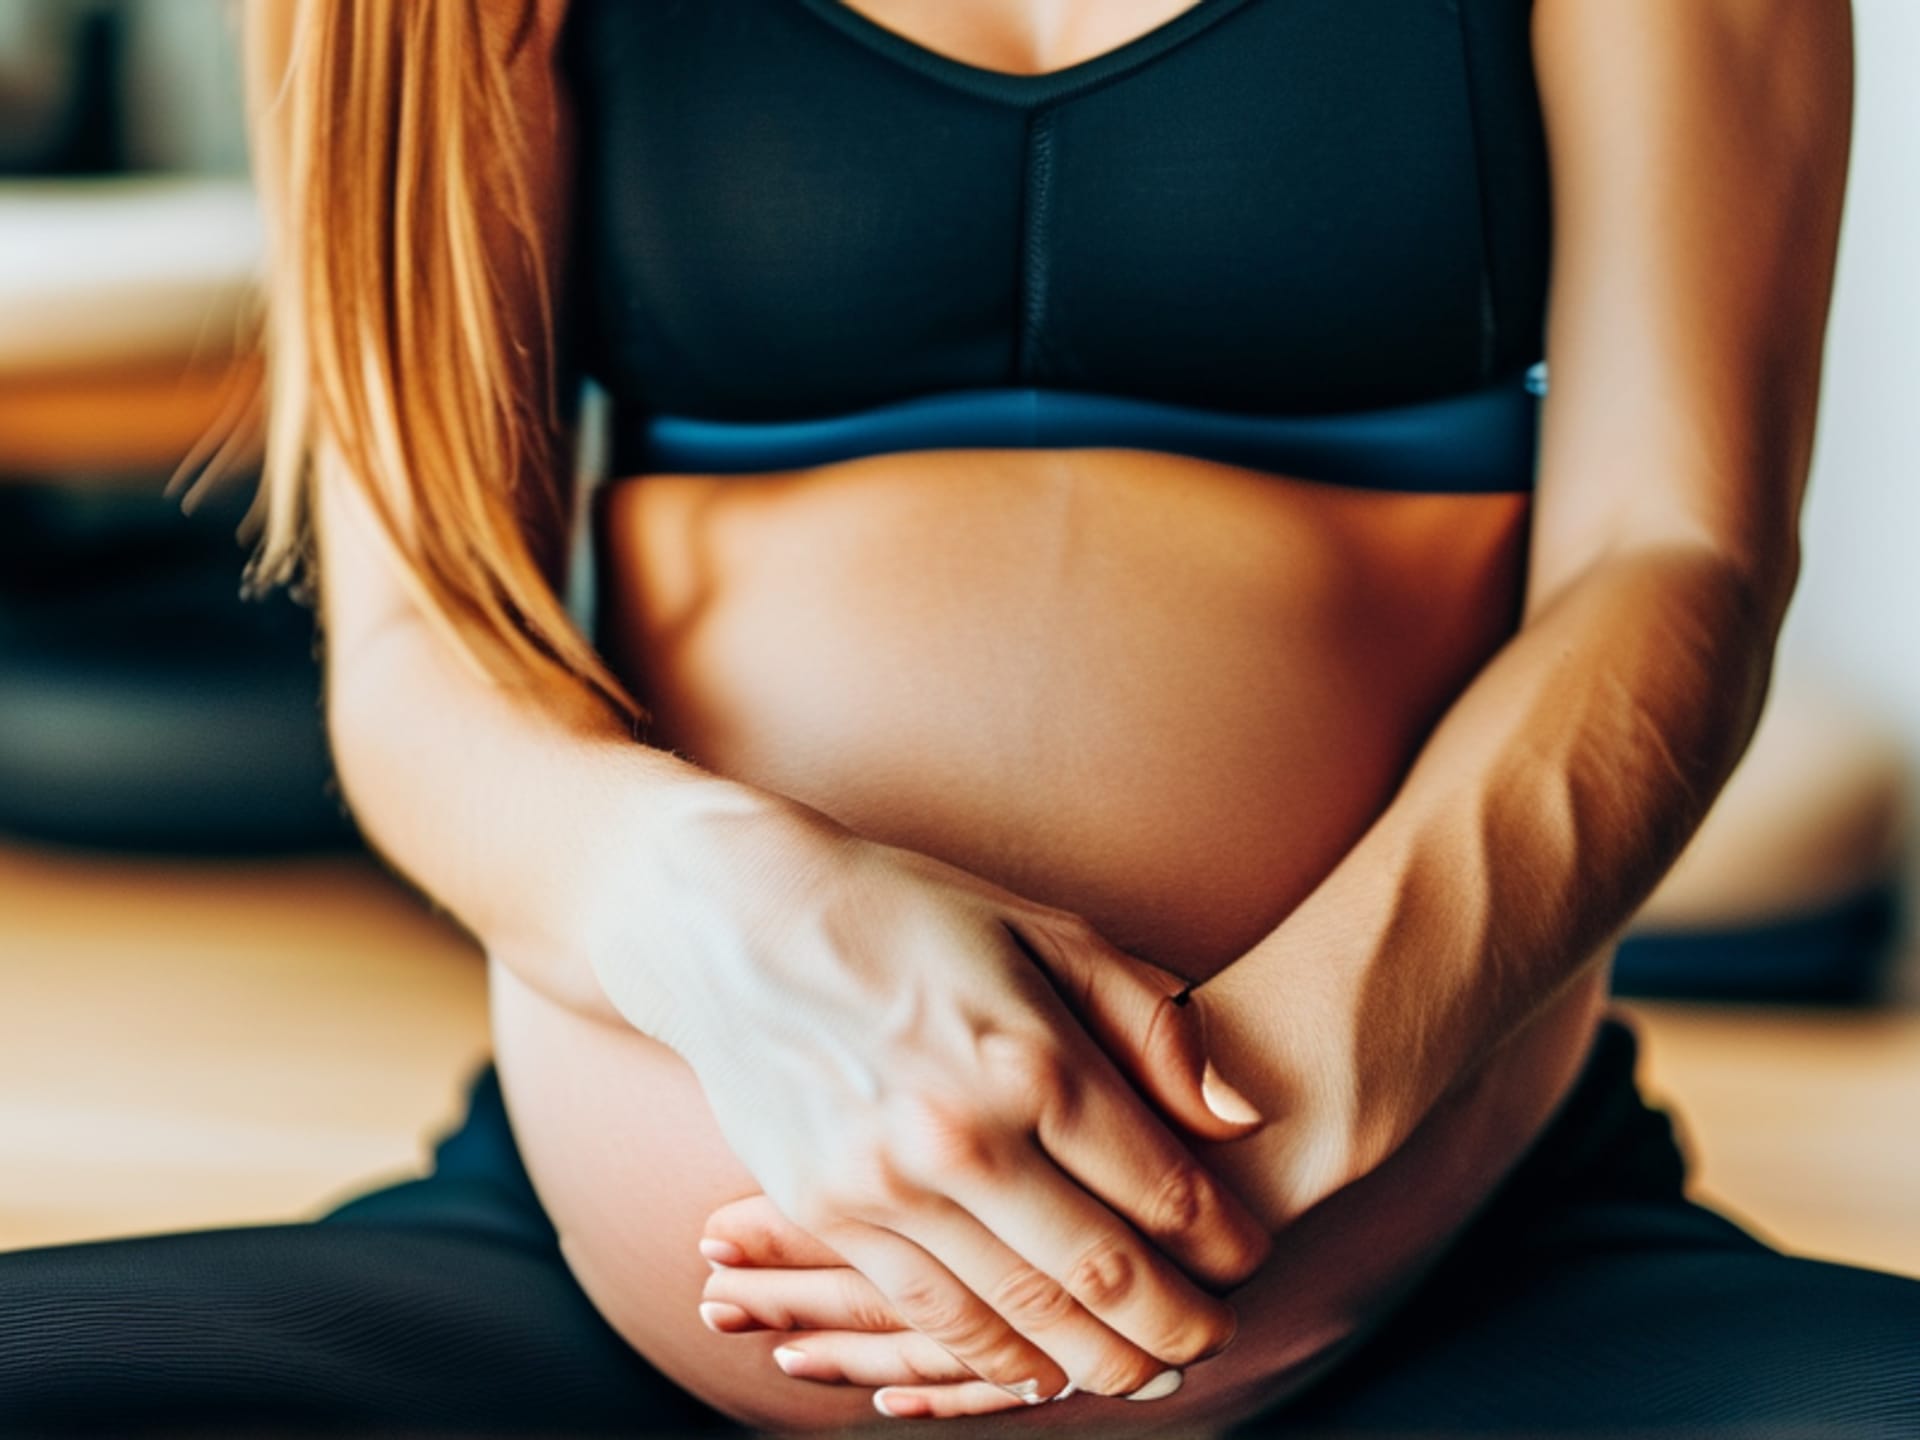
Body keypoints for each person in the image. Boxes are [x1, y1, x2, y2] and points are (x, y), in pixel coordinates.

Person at [4, 0, 1918, 1435]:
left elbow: (1677, 558)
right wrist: (733, 926)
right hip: (608, 1318)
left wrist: (1272, 1103)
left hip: (1471, 1296)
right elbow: (422, 649)